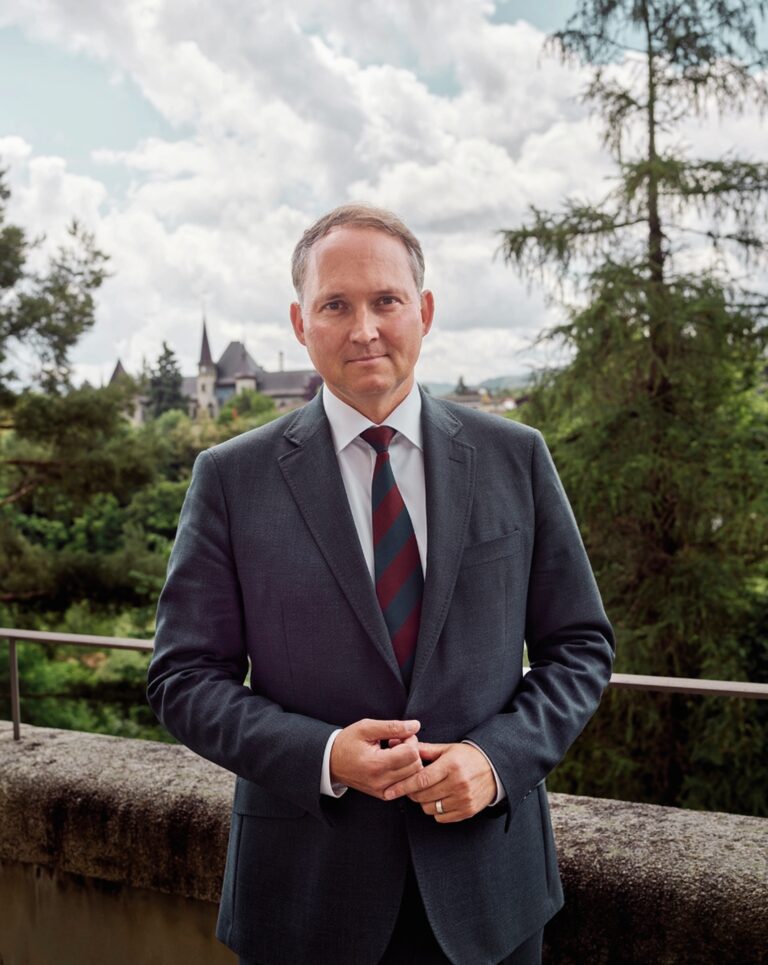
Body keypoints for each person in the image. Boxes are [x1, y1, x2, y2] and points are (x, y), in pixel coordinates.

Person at [147, 204, 615, 965]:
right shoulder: (231, 478)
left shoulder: (516, 456)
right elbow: (183, 677)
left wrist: (497, 760)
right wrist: (325, 754)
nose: (364, 329)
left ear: (423, 311)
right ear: (300, 323)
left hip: (490, 891)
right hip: (304, 896)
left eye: (385, 301)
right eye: (336, 305)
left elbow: (580, 646)